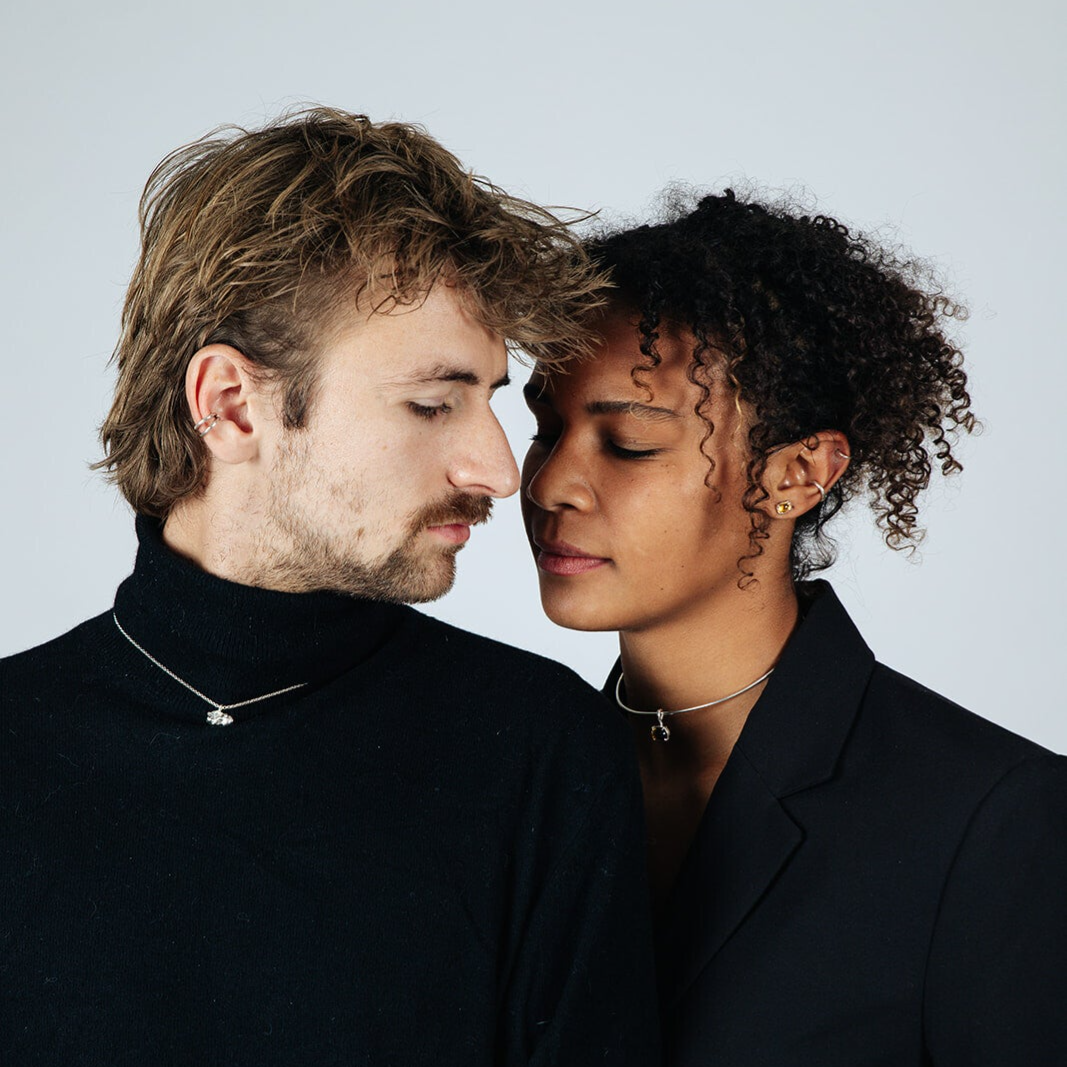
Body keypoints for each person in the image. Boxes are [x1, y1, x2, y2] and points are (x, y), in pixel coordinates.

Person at [0, 108, 660, 1066]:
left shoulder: (540, 753)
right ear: (232, 405)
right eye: (431, 404)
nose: (497, 470)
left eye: (486, 401)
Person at [520, 188, 1067, 1066]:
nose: (550, 485)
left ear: (798, 473)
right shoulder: (513, 782)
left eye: (627, 444)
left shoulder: (990, 819)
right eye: (545, 430)